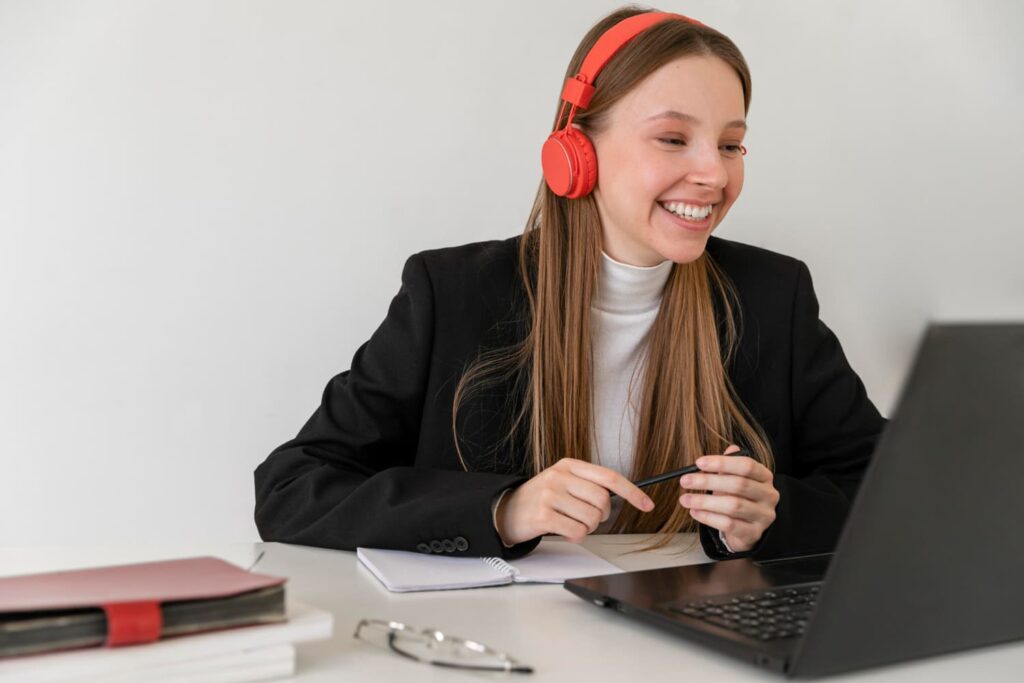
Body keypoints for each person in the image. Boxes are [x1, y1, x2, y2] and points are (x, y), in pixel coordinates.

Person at [253, 6, 885, 562]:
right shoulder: (450, 294)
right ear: (575, 152)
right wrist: (504, 509)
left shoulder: (773, 294)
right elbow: (292, 488)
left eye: (730, 146)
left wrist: (771, 518)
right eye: (673, 138)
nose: (712, 174)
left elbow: (886, 488)